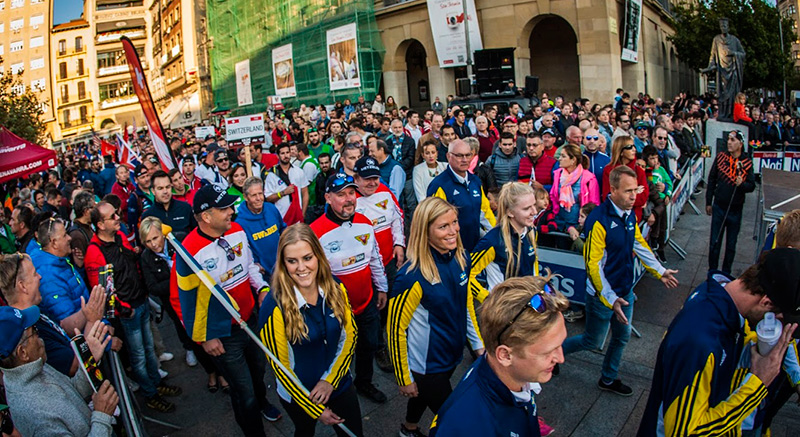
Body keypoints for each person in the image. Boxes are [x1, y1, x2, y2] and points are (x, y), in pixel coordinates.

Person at [638, 249, 800, 436]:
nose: (777, 326)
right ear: (766, 302)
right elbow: (686, 432)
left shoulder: (721, 296)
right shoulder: (700, 342)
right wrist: (757, 385)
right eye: (778, 319)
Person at [174, 184, 281, 436]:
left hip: (250, 321)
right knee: (243, 390)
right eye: (224, 209)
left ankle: (262, 403)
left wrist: (262, 287)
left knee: (258, 372)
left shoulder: (238, 230)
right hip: (222, 334)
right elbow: (180, 300)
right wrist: (203, 338)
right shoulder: (189, 251)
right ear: (206, 216)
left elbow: (250, 265)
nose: (232, 211)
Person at [563, 166, 679, 396]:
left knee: (622, 337)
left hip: (624, 291)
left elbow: (638, 243)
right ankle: (555, 354)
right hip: (602, 296)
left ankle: (608, 378)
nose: (634, 196)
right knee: (592, 341)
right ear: (613, 190)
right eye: (628, 191)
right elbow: (593, 265)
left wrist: (659, 270)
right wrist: (610, 298)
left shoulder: (629, 213)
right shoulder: (598, 220)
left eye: (635, 190)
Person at [388, 197, 484, 437]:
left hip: (451, 354)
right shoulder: (411, 276)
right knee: (456, 422)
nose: (453, 231)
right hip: (426, 365)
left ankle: (408, 430)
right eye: (443, 226)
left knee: (422, 397)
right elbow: (394, 330)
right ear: (425, 231)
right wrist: (404, 377)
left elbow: (466, 305)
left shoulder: (462, 258)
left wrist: (477, 345)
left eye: (454, 222)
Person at [429, 276, 569, 437]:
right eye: (547, 352)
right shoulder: (467, 428)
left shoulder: (515, 376)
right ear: (505, 355)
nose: (561, 358)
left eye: (560, 345)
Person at [259, 224, 363, 437]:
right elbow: (280, 367)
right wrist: (314, 409)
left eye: (307, 258)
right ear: (283, 263)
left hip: (339, 381)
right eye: (292, 261)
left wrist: (330, 380)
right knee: (304, 432)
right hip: (299, 395)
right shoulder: (273, 307)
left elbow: (350, 336)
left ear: (318, 256)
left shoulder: (336, 287)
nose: (301, 268)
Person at [86, 202, 181, 412]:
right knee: (138, 357)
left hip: (141, 301)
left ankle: (157, 384)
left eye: (117, 213)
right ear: (100, 224)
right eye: (112, 216)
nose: (118, 217)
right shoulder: (95, 252)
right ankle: (150, 394)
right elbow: (102, 291)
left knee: (149, 349)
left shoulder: (120, 236)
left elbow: (134, 264)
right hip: (128, 313)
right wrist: (124, 310)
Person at [310, 173, 389, 404]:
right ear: (327, 198)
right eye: (341, 194)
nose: (349, 199)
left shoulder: (365, 222)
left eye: (352, 193)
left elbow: (375, 258)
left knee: (369, 345)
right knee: (338, 353)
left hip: (367, 302)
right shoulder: (315, 232)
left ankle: (364, 383)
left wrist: (382, 288)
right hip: (335, 309)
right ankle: (339, 391)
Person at [0, 305, 118, 437]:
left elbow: (73, 392)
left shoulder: (33, 367)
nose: (41, 338)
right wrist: (102, 416)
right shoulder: (35, 414)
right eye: (35, 331)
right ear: (23, 352)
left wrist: (88, 361)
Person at [139, 217, 228, 389]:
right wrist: (179, 280)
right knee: (194, 341)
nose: (153, 244)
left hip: (200, 299)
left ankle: (222, 373)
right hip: (176, 307)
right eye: (148, 241)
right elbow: (153, 287)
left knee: (214, 335)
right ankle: (210, 372)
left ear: (163, 233)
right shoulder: (146, 258)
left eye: (155, 238)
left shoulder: (179, 240)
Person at [469, 183, 540, 304]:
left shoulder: (531, 232)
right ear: (510, 212)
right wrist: (486, 299)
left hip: (528, 306)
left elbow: (534, 264)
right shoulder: (492, 241)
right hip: (503, 309)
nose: (534, 211)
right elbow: (466, 275)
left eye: (534, 205)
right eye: (526, 208)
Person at [427, 139, 497, 252]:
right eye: (459, 156)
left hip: (474, 248)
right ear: (448, 156)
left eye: (468, 155)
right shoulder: (439, 185)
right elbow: (434, 223)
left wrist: (495, 234)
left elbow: (485, 212)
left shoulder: (475, 181)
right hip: (451, 251)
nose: (464, 160)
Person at [706, 130, 755, 273]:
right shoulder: (720, 157)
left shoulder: (747, 162)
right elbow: (711, 179)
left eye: (733, 140)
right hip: (719, 207)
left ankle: (726, 273)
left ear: (740, 144)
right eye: (728, 139)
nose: (729, 142)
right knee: (714, 243)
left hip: (735, 210)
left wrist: (742, 185)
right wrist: (708, 201)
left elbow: (751, 186)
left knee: (731, 245)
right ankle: (712, 272)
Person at [236, 177, 286, 286]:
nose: (258, 198)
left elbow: (283, 229)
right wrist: (254, 265)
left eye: (260, 193)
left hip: (283, 268)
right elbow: (242, 252)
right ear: (245, 197)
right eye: (254, 195)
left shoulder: (271, 208)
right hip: (264, 277)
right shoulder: (240, 223)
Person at [550, 144, 600, 243]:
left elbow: (594, 204)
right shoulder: (557, 174)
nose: (559, 159)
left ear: (573, 160)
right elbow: (553, 196)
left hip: (579, 226)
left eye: (563, 156)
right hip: (559, 223)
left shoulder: (589, 178)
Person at [602, 136, 649, 222]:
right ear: (621, 151)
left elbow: (643, 197)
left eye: (634, 146)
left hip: (634, 218)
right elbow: (608, 197)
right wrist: (635, 192)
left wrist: (622, 193)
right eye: (629, 147)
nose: (634, 149)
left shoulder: (639, 171)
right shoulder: (608, 170)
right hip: (614, 218)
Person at [141, 170, 196, 242]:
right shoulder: (148, 216)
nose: (165, 191)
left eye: (167, 187)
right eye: (160, 188)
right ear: (153, 191)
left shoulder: (185, 208)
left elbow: (196, 233)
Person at [264, 142, 310, 225]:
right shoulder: (272, 174)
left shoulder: (299, 171)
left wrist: (303, 213)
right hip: (281, 218)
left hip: (297, 217)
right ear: (278, 156)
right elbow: (268, 198)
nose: (286, 156)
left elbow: (305, 193)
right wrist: (283, 193)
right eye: (282, 153)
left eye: (287, 152)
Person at [412, 139, 448, 203]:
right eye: (427, 153)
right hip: (427, 205)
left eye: (433, 152)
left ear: (437, 153)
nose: (431, 156)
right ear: (423, 155)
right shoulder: (418, 170)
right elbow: (420, 195)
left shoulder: (445, 166)